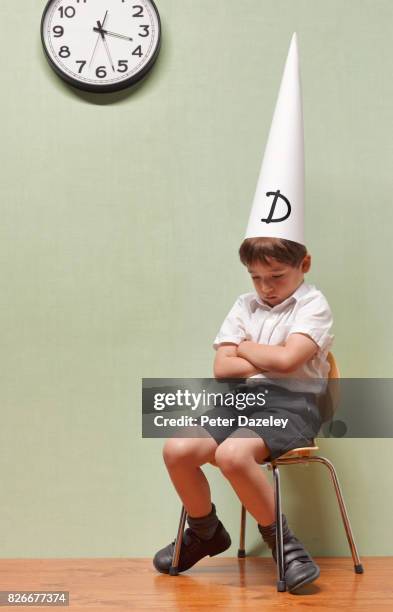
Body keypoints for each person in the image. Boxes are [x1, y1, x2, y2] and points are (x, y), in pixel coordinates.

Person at [152, 236, 333, 592]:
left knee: (232, 456)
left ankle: (286, 547)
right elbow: (222, 366)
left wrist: (245, 348)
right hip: (241, 401)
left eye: (277, 276)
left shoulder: (313, 305)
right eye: (256, 278)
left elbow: (288, 361)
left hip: (293, 405)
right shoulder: (244, 305)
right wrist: (269, 355)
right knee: (177, 450)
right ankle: (205, 532)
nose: (266, 288)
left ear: (305, 265)